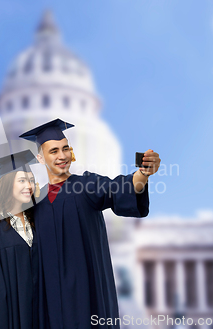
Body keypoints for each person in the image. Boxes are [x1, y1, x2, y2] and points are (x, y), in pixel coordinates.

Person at [19, 118, 161, 329]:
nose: (62, 156)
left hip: (86, 295)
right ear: (40, 158)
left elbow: (118, 188)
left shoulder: (86, 185)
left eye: (65, 149)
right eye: (54, 151)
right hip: (48, 299)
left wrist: (143, 173)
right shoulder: (34, 202)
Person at [0, 150, 39, 329]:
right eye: (21, 180)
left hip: (42, 312)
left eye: (30, 180)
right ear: (7, 184)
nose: (28, 186)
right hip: (14, 317)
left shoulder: (38, 222)